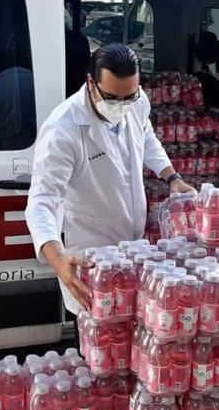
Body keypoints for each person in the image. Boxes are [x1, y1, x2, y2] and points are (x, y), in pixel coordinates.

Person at [26, 44, 193, 313]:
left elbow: (146, 137)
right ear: (91, 82)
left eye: (130, 96)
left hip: (132, 251)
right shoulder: (64, 128)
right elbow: (42, 199)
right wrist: (57, 257)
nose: (123, 106)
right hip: (92, 256)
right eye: (113, 98)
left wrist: (170, 176)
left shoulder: (136, 103)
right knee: (98, 343)